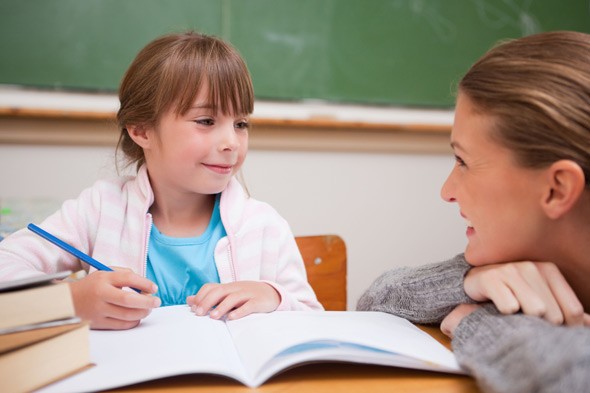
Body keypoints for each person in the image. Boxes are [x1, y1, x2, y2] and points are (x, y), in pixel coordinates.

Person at [0, 31, 322, 330]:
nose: (232, 142)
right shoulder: (100, 209)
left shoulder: (264, 226)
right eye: (206, 120)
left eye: (241, 123)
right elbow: (7, 264)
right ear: (141, 130)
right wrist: (71, 301)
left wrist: (273, 297)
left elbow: (313, 318)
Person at [358, 31, 590, 392]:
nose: (446, 192)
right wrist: (467, 282)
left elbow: (570, 373)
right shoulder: (521, 262)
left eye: (463, 161)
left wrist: (473, 322)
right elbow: (379, 298)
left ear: (557, 188)